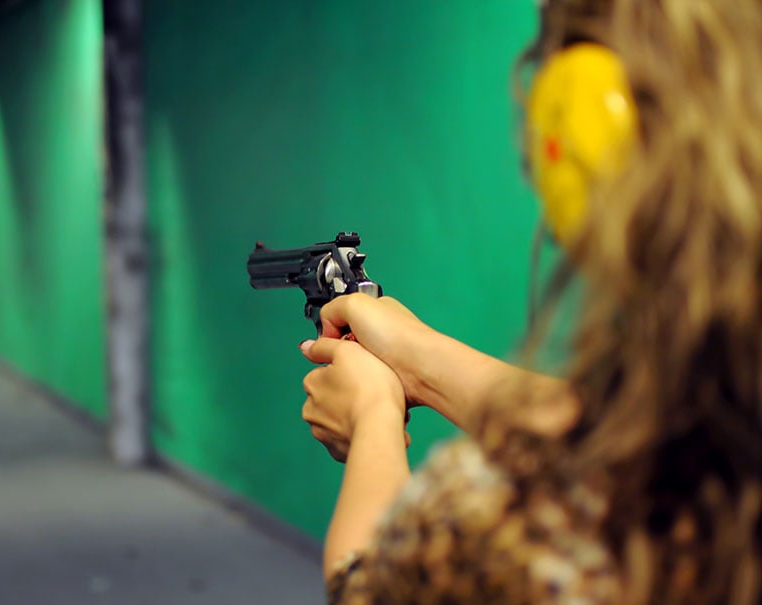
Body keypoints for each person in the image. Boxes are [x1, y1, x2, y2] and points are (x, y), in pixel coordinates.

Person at [299, 0, 762, 603]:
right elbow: (624, 436)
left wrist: (375, 418)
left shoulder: (523, 529)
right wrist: (420, 360)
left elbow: (365, 584)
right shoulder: (720, 432)